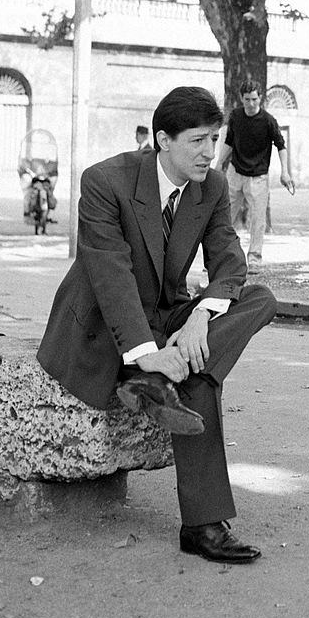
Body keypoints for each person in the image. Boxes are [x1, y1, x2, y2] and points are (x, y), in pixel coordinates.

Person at [37, 86, 278, 565]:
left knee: (259, 300)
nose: (211, 152)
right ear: (162, 140)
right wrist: (149, 352)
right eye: (198, 141)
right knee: (202, 379)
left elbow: (229, 264)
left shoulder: (209, 187)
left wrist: (197, 324)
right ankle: (203, 525)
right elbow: (112, 277)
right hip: (106, 327)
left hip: (169, 315)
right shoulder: (106, 181)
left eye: (215, 138)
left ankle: (159, 379)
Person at [217, 81, 294, 275]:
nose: (251, 103)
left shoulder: (268, 121)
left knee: (258, 219)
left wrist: (285, 172)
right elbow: (229, 142)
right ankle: (219, 256)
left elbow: (281, 145)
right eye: (247, 99)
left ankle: (254, 257)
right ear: (241, 99)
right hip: (235, 172)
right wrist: (219, 164)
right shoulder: (235, 116)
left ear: (260, 98)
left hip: (258, 176)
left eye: (254, 99)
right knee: (225, 215)